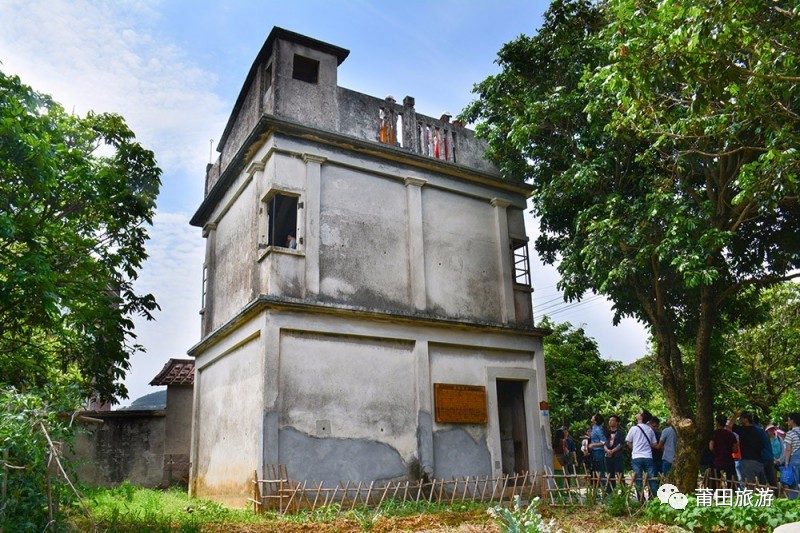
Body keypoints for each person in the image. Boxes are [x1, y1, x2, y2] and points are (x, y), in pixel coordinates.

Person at [626, 409, 658, 499]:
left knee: (638, 479)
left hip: (636, 457)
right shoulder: (650, 430)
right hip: (648, 456)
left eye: (639, 414)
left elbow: (628, 442)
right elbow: (654, 444)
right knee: (651, 478)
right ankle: (653, 499)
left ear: (641, 417)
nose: (637, 414)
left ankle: (641, 499)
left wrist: (635, 448)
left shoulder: (633, 429)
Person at [728, 412, 767, 485]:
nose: (739, 420)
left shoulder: (743, 430)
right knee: (760, 485)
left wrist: (735, 415)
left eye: (741, 418)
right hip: (759, 461)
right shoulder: (759, 431)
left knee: (749, 485)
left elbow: (730, 426)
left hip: (747, 461)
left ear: (746, 419)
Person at [710, 414, 738, 488]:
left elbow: (711, 447)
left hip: (717, 460)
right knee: (731, 482)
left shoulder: (714, 434)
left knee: (716, 481)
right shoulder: (731, 435)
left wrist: (716, 452)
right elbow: (735, 450)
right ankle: (732, 495)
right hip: (729, 460)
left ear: (717, 422)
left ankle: (718, 495)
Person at [604, 415, 625, 490]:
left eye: (612, 420)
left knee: (619, 473)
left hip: (617, 456)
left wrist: (613, 451)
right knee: (610, 474)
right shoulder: (606, 432)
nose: (610, 422)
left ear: (616, 422)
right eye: (609, 420)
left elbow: (621, 444)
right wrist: (607, 450)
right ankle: (611, 491)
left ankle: (623, 491)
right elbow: (604, 443)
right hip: (608, 456)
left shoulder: (620, 433)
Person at [783, 413, 800, 500]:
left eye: (789, 419)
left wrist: (786, 462)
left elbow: (788, 449)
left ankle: (795, 503)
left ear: (793, 421)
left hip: (796, 462)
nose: (787, 422)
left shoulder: (790, 433)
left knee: (795, 484)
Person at [588, 414, 607, 485]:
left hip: (598, 451)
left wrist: (593, 444)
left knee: (600, 471)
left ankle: (605, 487)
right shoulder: (594, 428)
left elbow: (603, 441)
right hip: (594, 451)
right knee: (595, 471)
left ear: (595, 420)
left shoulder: (599, 429)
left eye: (593, 416)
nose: (592, 417)